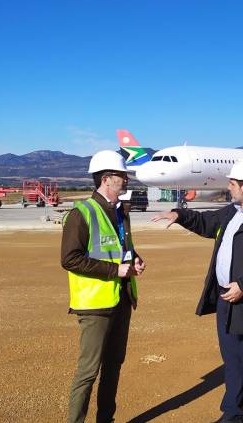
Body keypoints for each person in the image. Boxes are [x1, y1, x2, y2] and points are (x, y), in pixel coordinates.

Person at [152, 157, 243, 423]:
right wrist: (180, 215)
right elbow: (207, 222)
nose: (229, 187)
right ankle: (232, 413)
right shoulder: (233, 212)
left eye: (233, 183)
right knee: (232, 360)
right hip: (227, 297)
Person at [61, 150, 146, 423]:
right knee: (88, 372)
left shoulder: (121, 212)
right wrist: (114, 269)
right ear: (107, 179)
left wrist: (135, 260)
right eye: (122, 175)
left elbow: (121, 249)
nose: (126, 180)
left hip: (121, 299)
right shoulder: (81, 213)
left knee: (113, 367)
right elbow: (69, 259)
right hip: (95, 305)